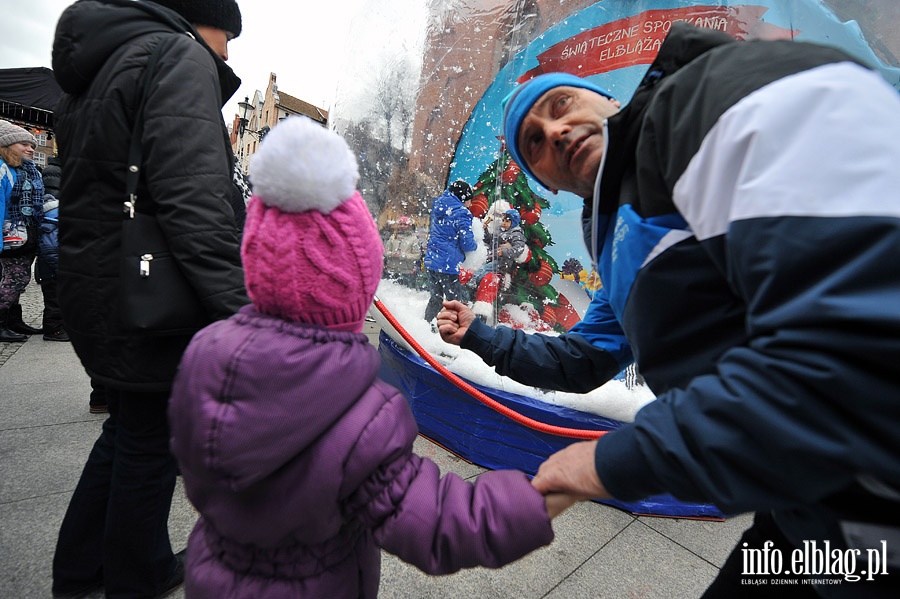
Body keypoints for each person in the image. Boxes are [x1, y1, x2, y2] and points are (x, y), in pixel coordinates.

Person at [439, 22, 900, 596]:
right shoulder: (619, 237)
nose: (554, 130)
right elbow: (583, 359)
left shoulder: (693, 105)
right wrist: (480, 337)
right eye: (534, 141)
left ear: (608, 99)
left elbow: (848, 343)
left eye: (561, 104)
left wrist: (609, 463)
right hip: (809, 520)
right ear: (543, 183)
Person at [168, 116, 558, 598]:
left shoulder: (200, 360)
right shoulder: (361, 418)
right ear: (353, 287)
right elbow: (438, 522)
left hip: (213, 578)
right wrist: (542, 497)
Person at [50, 0, 249, 597]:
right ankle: (137, 574)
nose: (229, 51)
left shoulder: (105, 65)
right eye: (227, 34)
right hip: (152, 294)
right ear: (198, 17)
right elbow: (193, 199)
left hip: (103, 286)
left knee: (129, 429)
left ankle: (81, 568)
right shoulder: (177, 54)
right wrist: (244, 312)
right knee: (152, 440)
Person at [0, 121, 43, 342]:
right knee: (14, 279)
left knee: (19, 277)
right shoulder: (3, 169)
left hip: (24, 236)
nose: (30, 149)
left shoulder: (27, 171)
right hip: (10, 237)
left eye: (33, 146)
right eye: (23, 144)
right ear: (6, 145)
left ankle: (13, 321)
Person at [422, 179, 477, 324]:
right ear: (463, 198)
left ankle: (426, 325)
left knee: (436, 298)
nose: (470, 204)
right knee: (455, 302)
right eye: (469, 200)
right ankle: (456, 331)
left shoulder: (439, 207)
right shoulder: (461, 213)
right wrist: (476, 246)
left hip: (432, 261)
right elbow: (467, 243)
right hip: (448, 264)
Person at [469, 207, 528, 323]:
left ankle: (472, 282)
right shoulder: (501, 231)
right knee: (484, 268)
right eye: (504, 220)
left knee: (484, 270)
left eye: (507, 221)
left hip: (502, 263)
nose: (504, 223)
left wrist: (504, 252)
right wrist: (485, 231)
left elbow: (519, 248)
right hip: (494, 259)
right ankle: (472, 285)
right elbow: (491, 241)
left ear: (514, 222)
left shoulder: (516, 233)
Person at [36, 155, 68, 341]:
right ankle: (53, 330)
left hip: (55, 263)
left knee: (59, 297)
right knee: (54, 299)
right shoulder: (53, 216)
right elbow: (50, 248)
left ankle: (57, 327)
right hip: (53, 266)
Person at [383, 215, 421, 287]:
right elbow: (385, 252)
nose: (402, 226)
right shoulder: (393, 237)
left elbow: (417, 255)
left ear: (409, 226)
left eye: (405, 224)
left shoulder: (414, 239)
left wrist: (404, 256)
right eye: (400, 224)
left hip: (407, 272)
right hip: (392, 270)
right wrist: (392, 254)